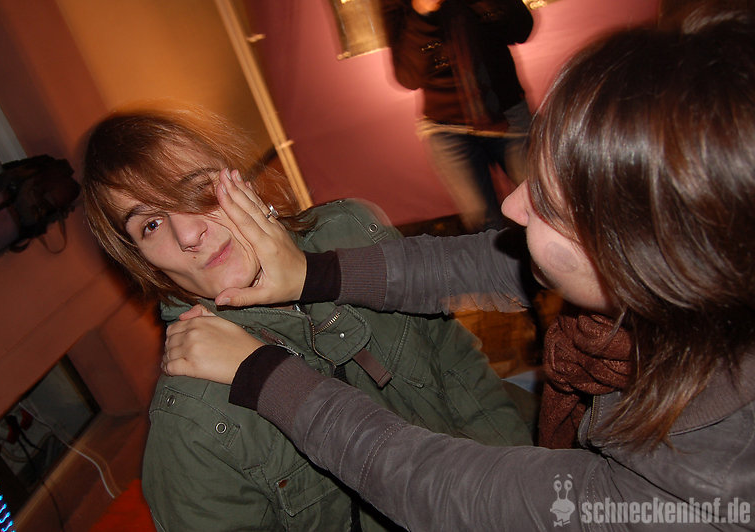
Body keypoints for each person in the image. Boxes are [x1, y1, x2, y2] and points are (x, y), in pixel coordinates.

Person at [162, 7, 755, 531]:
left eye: (550, 205)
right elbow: (483, 263)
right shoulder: (707, 283)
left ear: (652, 257)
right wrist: (310, 274)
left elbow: (454, 493)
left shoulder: (701, 485)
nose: (512, 205)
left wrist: (267, 377)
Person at [81, 107, 535, 531]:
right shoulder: (193, 427)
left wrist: (518, 490)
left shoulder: (352, 231)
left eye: (195, 187)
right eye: (150, 225)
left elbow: (460, 373)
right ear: (140, 259)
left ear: (237, 174)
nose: (188, 233)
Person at [381, 0, 534, 230]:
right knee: (483, 225)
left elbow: (521, 29)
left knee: (544, 205)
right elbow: (408, 77)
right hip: (446, 129)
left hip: (508, 113)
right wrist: (422, 15)